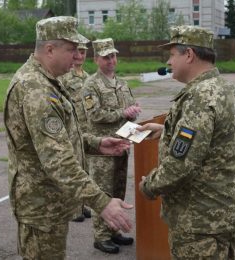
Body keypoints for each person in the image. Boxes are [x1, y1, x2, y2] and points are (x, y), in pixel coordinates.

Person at [3, 16, 133, 260]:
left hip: (51, 201)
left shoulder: (47, 81)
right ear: (49, 49)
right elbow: (57, 160)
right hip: (41, 207)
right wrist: (102, 203)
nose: (77, 56)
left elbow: (61, 135)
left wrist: (96, 143)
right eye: (72, 49)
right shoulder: (36, 90)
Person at [137, 25, 235, 259]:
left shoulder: (199, 97)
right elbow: (215, 139)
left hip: (200, 223)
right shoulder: (226, 88)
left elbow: (180, 165)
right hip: (222, 214)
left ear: (189, 55)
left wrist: (149, 186)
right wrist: (166, 129)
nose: (168, 62)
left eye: (172, 54)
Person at [81, 38, 141, 254]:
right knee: (103, 193)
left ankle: (114, 230)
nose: (111, 60)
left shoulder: (122, 83)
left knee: (118, 190)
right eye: (106, 57)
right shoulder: (91, 85)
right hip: (102, 149)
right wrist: (122, 113)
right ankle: (101, 236)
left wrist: (133, 111)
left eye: (113, 55)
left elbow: (130, 108)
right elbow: (94, 114)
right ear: (96, 59)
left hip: (122, 145)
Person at [59, 34, 91, 222]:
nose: (81, 55)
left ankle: (81, 204)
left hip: (85, 129)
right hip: (70, 128)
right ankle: (72, 207)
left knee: (84, 167)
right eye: (78, 51)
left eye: (84, 51)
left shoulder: (87, 77)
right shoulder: (65, 76)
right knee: (72, 167)